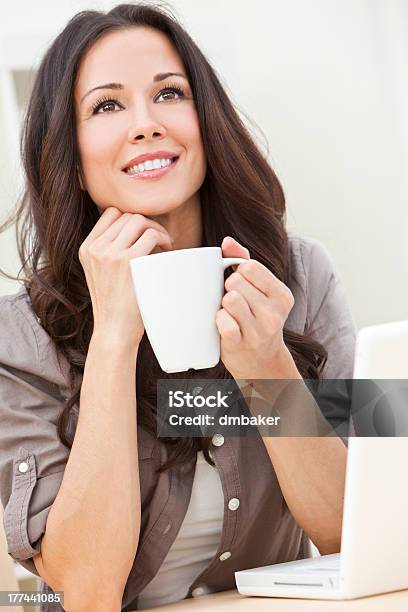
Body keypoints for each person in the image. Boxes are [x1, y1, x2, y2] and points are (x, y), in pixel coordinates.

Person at [0, 3, 356, 611]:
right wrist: (114, 336)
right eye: (106, 105)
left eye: (170, 93)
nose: (145, 124)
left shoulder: (302, 277)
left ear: (206, 121)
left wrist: (267, 368)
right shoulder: (18, 336)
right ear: (71, 156)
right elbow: (83, 593)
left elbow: (363, 534)